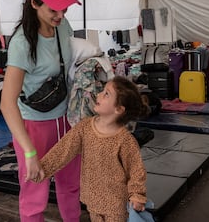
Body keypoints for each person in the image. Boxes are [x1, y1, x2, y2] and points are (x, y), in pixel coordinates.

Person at [0, 0, 82, 221]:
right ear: (34, 2)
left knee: (71, 185)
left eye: (64, 8)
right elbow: (7, 104)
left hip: (66, 120)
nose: (60, 15)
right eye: (53, 9)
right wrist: (29, 152)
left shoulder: (62, 25)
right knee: (35, 191)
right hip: (35, 126)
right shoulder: (22, 44)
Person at [37, 76, 151, 222]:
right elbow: (64, 149)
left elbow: (136, 169)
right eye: (102, 91)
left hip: (116, 205)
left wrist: (137, 195)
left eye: (106, 94)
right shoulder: (85, 127)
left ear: (119, 109)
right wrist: (43, 168)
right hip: (93, 201)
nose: (99, 94)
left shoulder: (125, 140)